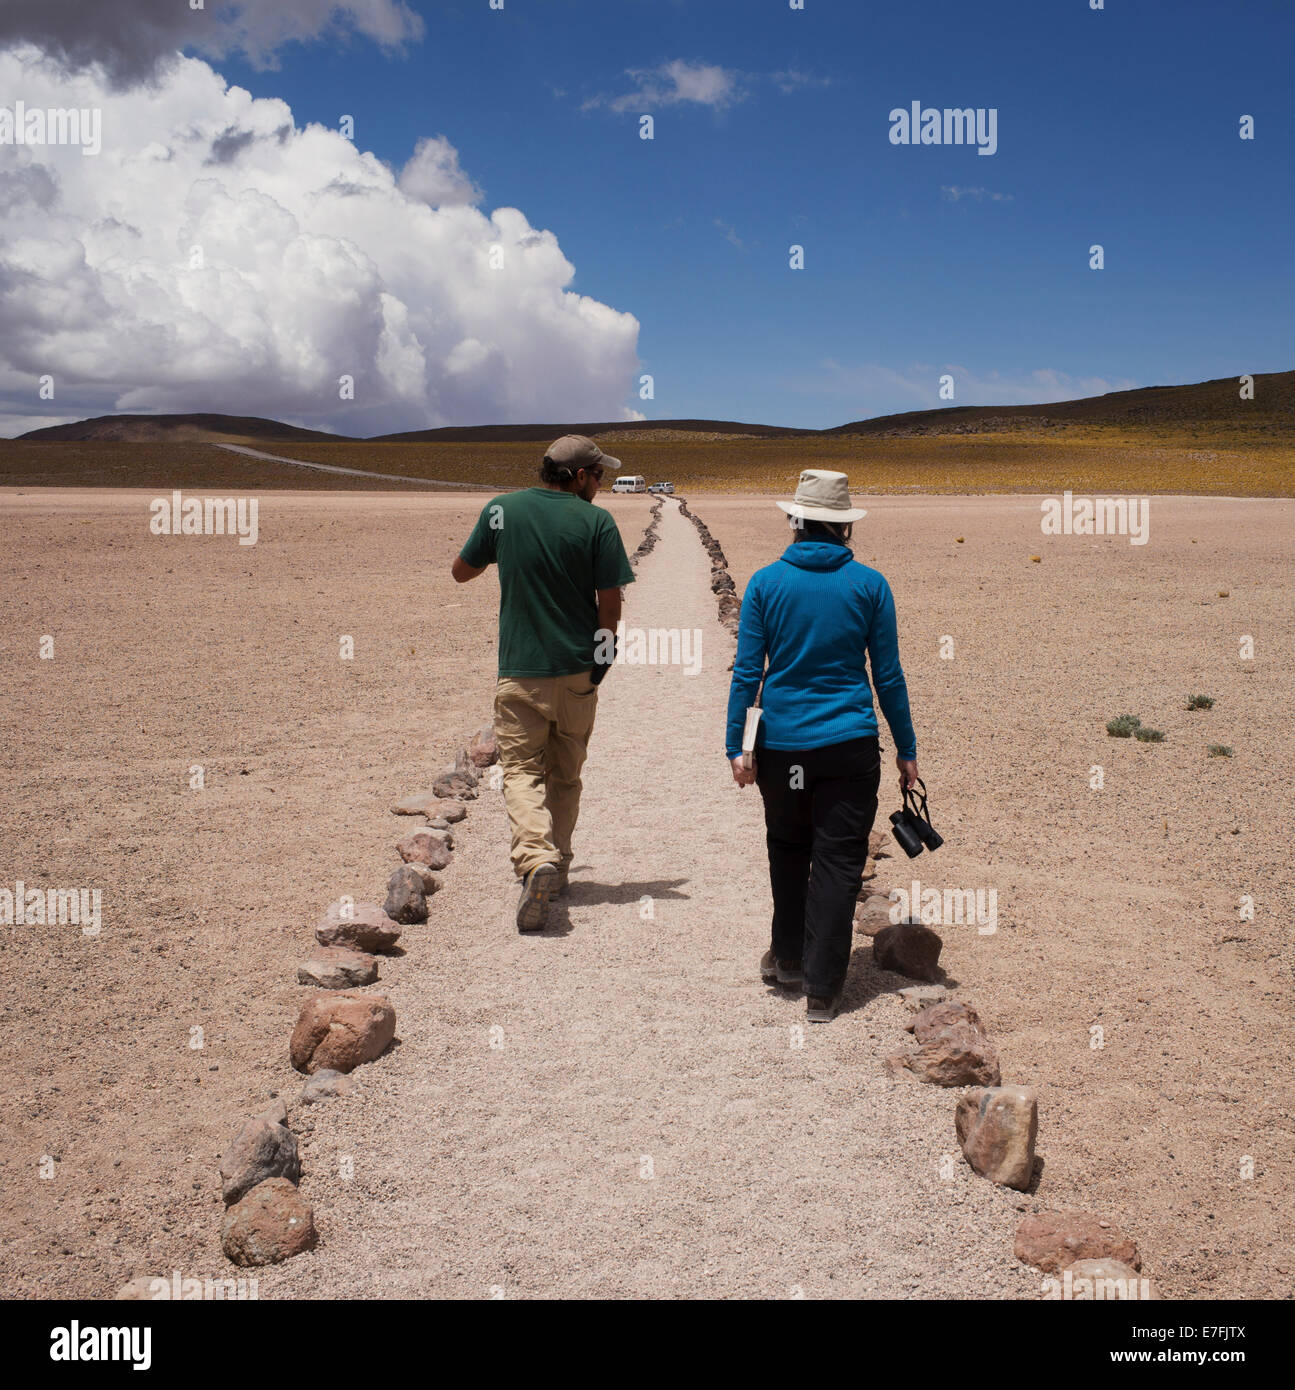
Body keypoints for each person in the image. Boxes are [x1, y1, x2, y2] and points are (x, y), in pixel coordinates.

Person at [725, 469, 920, 1022]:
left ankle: (788, 957)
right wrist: (906, 748)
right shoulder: (869, 585)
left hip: (783, 748)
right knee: (837, 861)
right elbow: (889, 676)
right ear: (844, 530)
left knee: (787, 848)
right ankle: (823, 989)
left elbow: (746, 672)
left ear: (796, 522)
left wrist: (736, 747)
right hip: (849, 747)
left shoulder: (765, 583)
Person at [453, 434, 635, 931]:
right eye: (598, 475)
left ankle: (536, 860)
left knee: (520, 773)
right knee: (566, 772)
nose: (602, 484)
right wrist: (605, 651)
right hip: (578, 670)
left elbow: (461, 572)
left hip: (520, 672)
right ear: (578, 476)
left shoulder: (501, 510)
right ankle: (560, 863)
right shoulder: (596, 520)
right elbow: (610, 598)